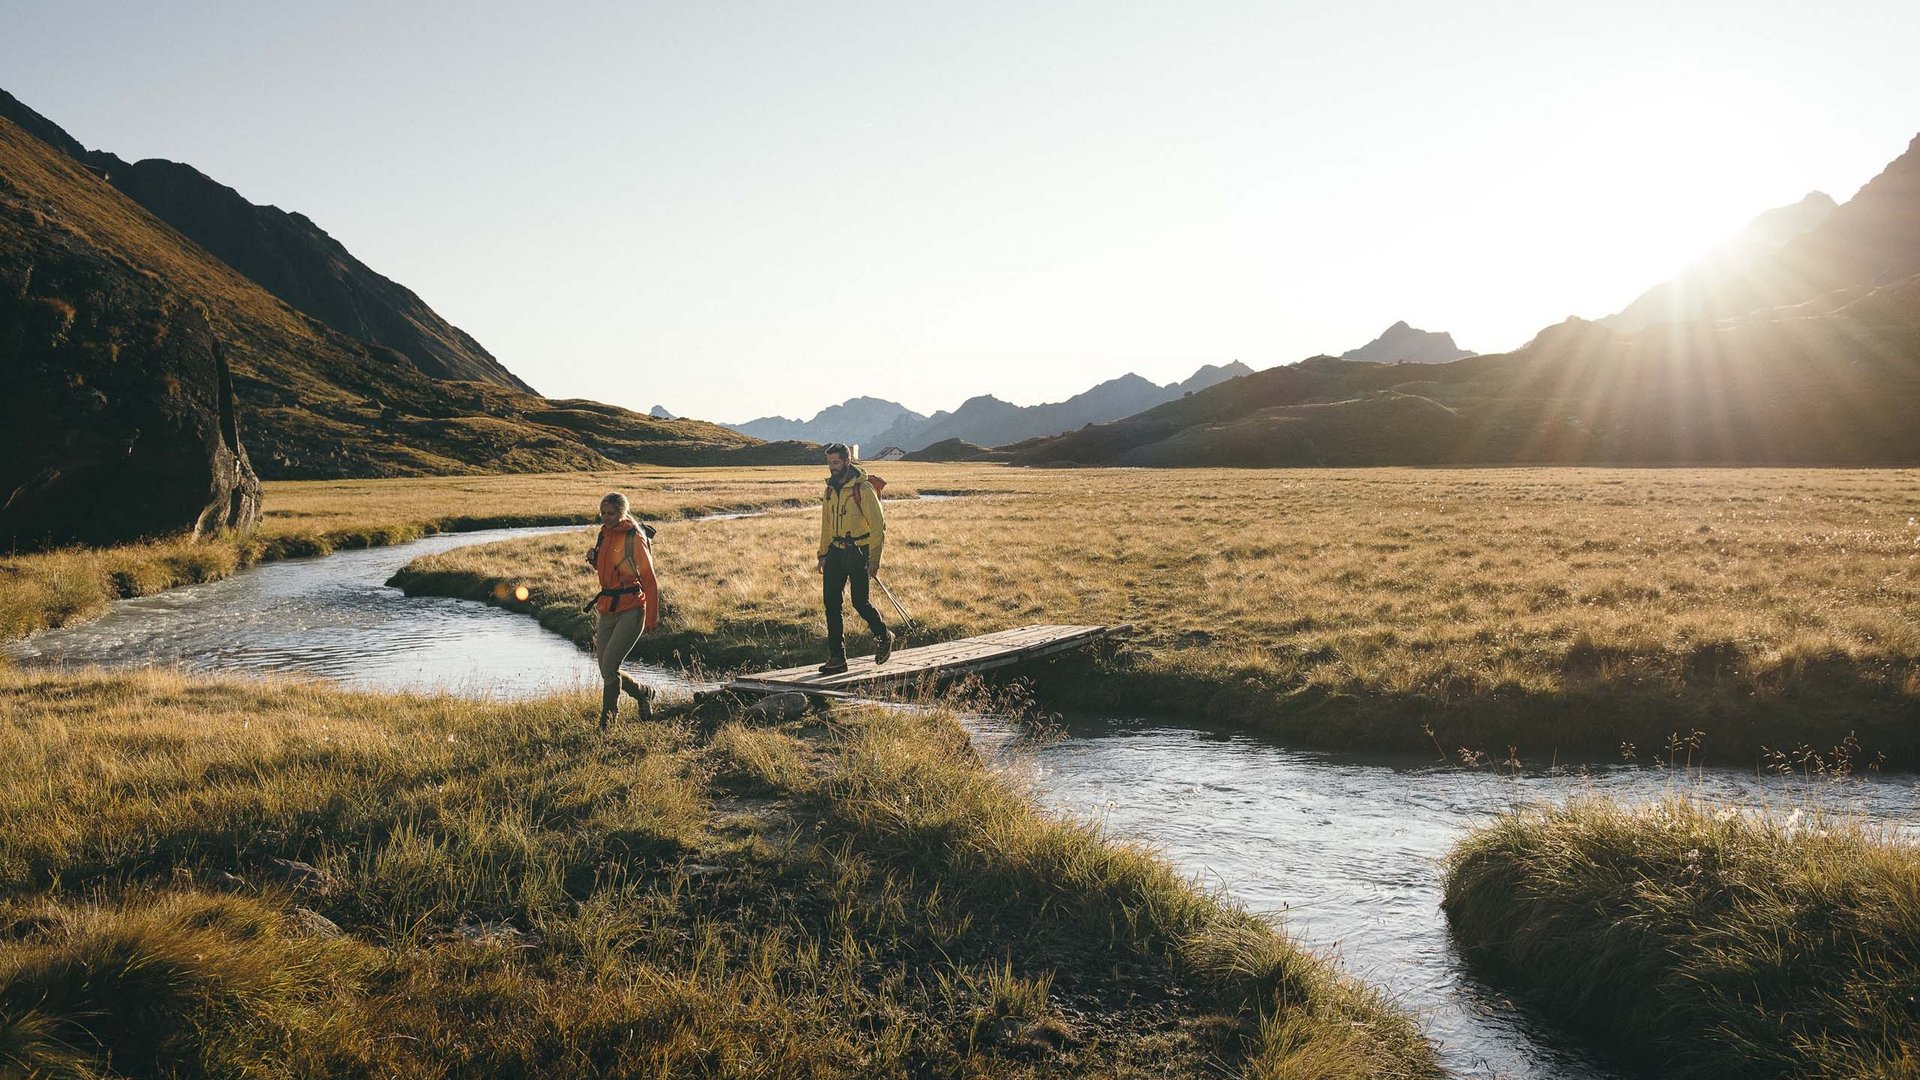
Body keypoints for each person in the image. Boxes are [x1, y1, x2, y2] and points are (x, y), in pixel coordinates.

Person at [816, 443, 891, 674]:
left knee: (860, 602)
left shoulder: (863, 489)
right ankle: (837, 658)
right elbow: (827, 524)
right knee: (831, 603)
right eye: (829, 463)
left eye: (836, 462)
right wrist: (823, 554)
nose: (832, 467)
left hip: (859, 552)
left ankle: (884, 635)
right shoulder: (829, 490)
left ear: (848, 461)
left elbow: (878, 526)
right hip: (836, 552)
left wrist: (875, 560)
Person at [585, 492, 659, 727]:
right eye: (603, 513)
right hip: (607, 608)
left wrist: (652, 617)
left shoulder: (633, 537)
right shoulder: (604, 534)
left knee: (609, 668)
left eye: (612, 513)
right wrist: (594, 559)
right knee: (607, 670)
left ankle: (607, 723)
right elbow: (610, 568)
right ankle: (643, 693)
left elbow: (649, 579)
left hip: (632, 608)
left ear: (622, 513)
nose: (606, 518)